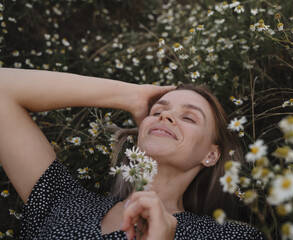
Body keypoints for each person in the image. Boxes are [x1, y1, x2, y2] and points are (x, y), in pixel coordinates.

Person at [0, 68, 264, 240]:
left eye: (189, 118)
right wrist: (132, 96)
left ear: (211, 155)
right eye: (157, 110)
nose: (166, 115)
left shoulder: (229, 237)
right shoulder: (64, 201)